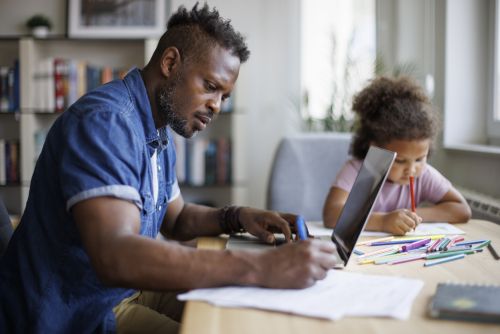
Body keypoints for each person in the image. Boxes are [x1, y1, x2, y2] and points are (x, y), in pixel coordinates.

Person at [0, 3, 339, 334]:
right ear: (170, 62)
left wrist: (238, 217)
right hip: (76, 312)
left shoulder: (156, 127)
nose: (216, 106)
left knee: (252, 312)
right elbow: (115, 255)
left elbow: (176, 219)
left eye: (224, 96)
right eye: (210, 86)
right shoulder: (106, 124)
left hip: (121, 290)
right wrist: (264, 266)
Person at [323, 76, 471, 236]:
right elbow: (331, 214)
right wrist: (383, 221)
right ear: (375, 148)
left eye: (420, 159)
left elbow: (462, 210)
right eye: (400, 161)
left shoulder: (424, 175)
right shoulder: (357, 170)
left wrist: (411, 215)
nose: (411, 169)